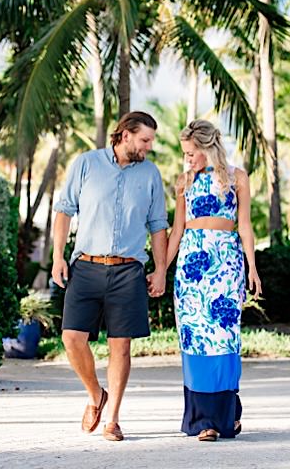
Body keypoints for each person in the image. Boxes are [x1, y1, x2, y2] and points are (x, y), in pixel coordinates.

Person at [51, 111, 170, 442]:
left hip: (128, 270)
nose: (149, 147)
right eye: (145, 140)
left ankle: (113, 419)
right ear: (126, 135)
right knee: (72, 339)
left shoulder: (150, 174)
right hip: (86, 266)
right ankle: (95, 395)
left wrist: (160, 270)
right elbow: (63, 210)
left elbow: (158, 225)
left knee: (121, 347)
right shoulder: (87, 163)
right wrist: (58, 256)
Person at [157, 119, 262, 441]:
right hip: (191, 267)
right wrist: (161, 268)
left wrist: (252, 267)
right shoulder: (184, 182)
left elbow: (244, 225)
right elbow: (177, 230)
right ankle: (204, 421)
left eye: (191, 153)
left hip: (226, 265)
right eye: (185, 153)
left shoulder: (237, 178)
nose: (188, 159)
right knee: (195, 341)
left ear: (207, 147)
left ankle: (228, 415)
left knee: (224, 339)